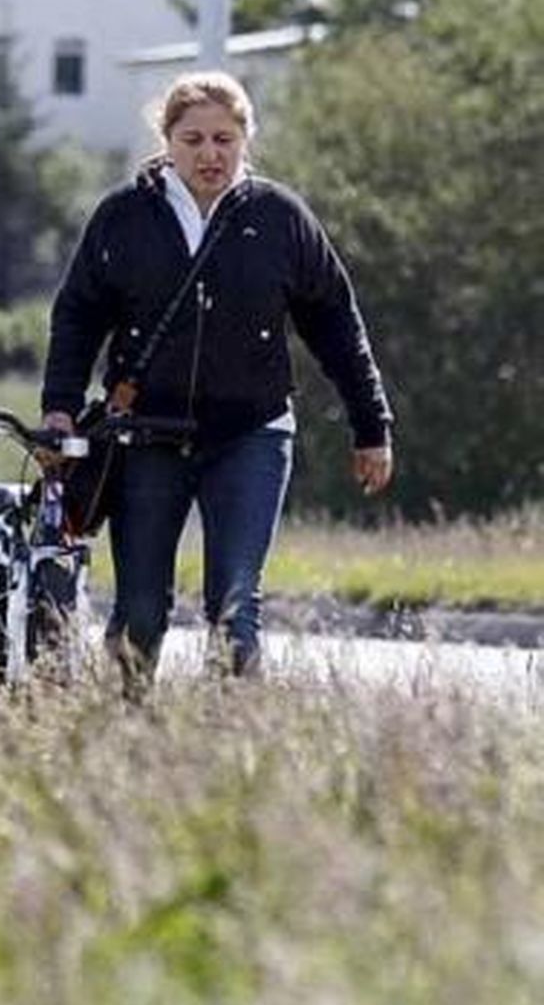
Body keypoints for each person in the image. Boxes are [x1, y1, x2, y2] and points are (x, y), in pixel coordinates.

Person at [41, 71, 394, 695]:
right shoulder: (123, 218)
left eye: (225, 139)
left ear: (245, 140)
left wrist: (372, 426)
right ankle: (127, 730)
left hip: (251, 432)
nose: (210, 154)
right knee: (142, 611)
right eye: (194, 138)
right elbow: (77, 316)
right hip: (147, 435)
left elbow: (337, 321)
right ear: (167, 140)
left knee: (235, 608)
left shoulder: (280, 218)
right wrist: (60, 409)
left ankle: (226, 743)